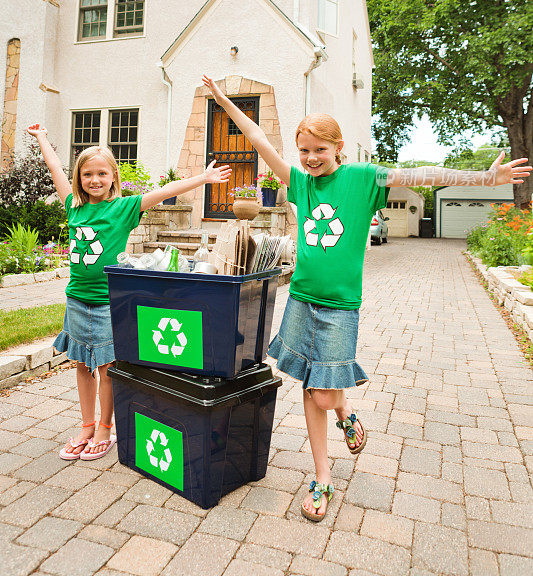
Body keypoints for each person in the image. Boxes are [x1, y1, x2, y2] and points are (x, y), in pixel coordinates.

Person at [201, 75, 531, 521]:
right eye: (304, 149)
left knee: (324, 395)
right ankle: (322, 477)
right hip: (300, 299)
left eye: (320, 149)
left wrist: (485, 178)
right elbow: (259, 138)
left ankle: (345, 414)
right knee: (309, 386)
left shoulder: (363, 178)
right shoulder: (298, 182)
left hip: (339, 308)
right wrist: (222, 100)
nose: (311, 158)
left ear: (338, 147)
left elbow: (422, 174)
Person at [27, 123, 231, 461]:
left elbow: (166, 191)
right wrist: (42, 137)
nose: (94, 180)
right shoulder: (73, 206)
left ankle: (106, 428)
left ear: (113, 178)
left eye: (101, 174)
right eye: (87, 174)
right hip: (77, 299)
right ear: (79, 178)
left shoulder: (123, 209)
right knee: (81, 364)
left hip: (109, 302)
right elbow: (54, 169)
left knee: (107, 367)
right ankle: (87, 424)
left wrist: (203, 179)